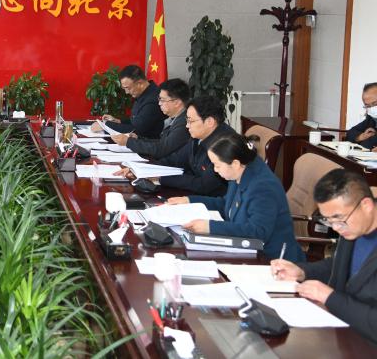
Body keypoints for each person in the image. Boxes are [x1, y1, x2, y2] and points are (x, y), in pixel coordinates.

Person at [271, 169, 377, 345]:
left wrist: (330, 297)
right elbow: (339, 265)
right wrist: (302, 272)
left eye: (338, 219)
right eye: (329, 220)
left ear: (366, 205)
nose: (335, 228)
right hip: (339, 332)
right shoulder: (353, 225)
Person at [168, 133, 304, 262]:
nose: (215, 170)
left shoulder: (263, 187)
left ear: (235, 163)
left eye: (217, 165)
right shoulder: (240, 172)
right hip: (246, 250)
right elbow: (226, 204)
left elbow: (258, 232)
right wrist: (189, 200)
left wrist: (210, 227)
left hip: (272, 259)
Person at [117, 95, 234, 196]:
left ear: (209, 122)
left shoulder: (226, 144)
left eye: (191, 121)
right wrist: (141, 169)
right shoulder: (199, 136)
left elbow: (203, 184)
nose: (187, 126)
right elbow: (175, 160)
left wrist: (160, 178)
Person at [118, 78, 190, 159]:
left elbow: (162, 149)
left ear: (177, 103)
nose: (159, 103)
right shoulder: (176, 119)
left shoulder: (185, 123)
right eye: (159, 99)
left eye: (162, 100)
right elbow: (162, 142)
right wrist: (138, 138)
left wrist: (129, 142)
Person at [91, 65, 166, 139]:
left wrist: (105, 126)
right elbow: (136, 120)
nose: (126, 92)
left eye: (128, 88)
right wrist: (119, 121)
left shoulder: (152, 100)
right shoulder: (143, 93)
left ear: (139, 84)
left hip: (146, 143)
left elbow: (136, 130)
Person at [346, 82, 377, 151]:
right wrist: (361, 136)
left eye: (375, 103)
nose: (372, 108)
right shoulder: (372, 118)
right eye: (368, 106)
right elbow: (351, 133)